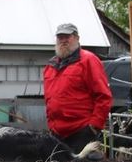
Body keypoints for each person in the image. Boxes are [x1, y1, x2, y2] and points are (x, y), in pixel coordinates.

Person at [43, 23, 113, 155]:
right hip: (56, 134)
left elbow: (103, 96)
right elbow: (48, 99)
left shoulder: (89, 60)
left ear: (77, 38)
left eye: (67, 37)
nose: (63, 40)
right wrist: (51, 125)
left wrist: (94, 126)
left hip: (81, 132)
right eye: (60, 37)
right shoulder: (50, 66)